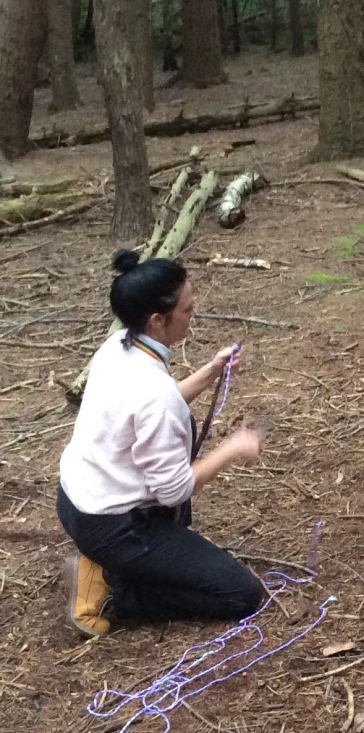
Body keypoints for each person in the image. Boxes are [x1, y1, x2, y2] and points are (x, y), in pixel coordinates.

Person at [57, 251, 266, 636]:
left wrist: (211, 371)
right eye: (187, 309)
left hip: (78, 502)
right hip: (115, 526)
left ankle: (113, 563)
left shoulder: (119, 345)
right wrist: (233, 449)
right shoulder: (153, 392)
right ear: (157, 319)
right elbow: (174, 490)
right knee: (242, 595)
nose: (193, 313)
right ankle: (114, 588)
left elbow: (150, 408)